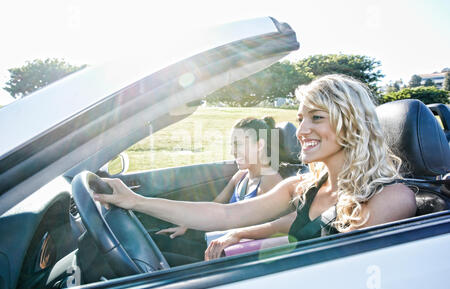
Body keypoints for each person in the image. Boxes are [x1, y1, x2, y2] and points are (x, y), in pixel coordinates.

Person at [94, 74, 417, 263]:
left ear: (353, 125)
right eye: (300, 118)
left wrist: (246, 247)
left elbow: (334, 269)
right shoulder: (302, 187)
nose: (302, 130)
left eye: (316, 118)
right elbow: (223, 215)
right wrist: (136, 202)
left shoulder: (391, 197)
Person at [143, 116, 284, 264]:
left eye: (238, 145)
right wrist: (186, 225)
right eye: (232, 145)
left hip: (233, 256)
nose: (232, 151)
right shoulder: (241, 176)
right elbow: (215, 207)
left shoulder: (271, 182)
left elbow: (270, 231)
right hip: (217, 244)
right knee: (157, 241)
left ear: (259, 145)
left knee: (157, 261)